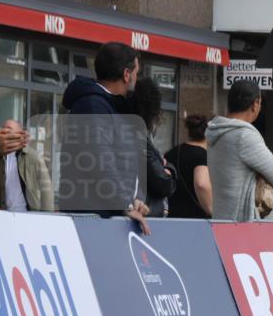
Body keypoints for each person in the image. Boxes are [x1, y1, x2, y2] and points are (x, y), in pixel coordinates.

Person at [60, 41, 150, 233]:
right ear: (126, 74)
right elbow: (99, 160)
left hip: (105, 217)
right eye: (136, 73)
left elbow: (121, 162)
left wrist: (134, 199)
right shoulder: (93, 105)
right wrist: (125, 203)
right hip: (92, 221)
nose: (137, 78)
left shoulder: (110, 106)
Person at [206, 81, 273, 222]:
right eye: (260, 103)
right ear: (255, 103)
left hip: (221, 219)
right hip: (242, 224)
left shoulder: (216, 131)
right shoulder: (244, 135)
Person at [130, 77, 177, 217]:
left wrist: (167, 168)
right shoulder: (138, 139)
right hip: (145, 215)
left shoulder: (139, 136)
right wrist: (169, 169)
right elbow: (163, 183)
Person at [0, 120, 53, 212]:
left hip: (28, 214)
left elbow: (46, 189)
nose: (4, 131)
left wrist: (48, 215)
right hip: (6, 213)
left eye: (9, 128)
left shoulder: (33, 157)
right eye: (3, 128)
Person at [164, 114, 212, 219]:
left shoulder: (171, 153)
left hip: (173, 217)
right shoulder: (202, 155)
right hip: (197, 220)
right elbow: (201, 184)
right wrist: (211, 210)